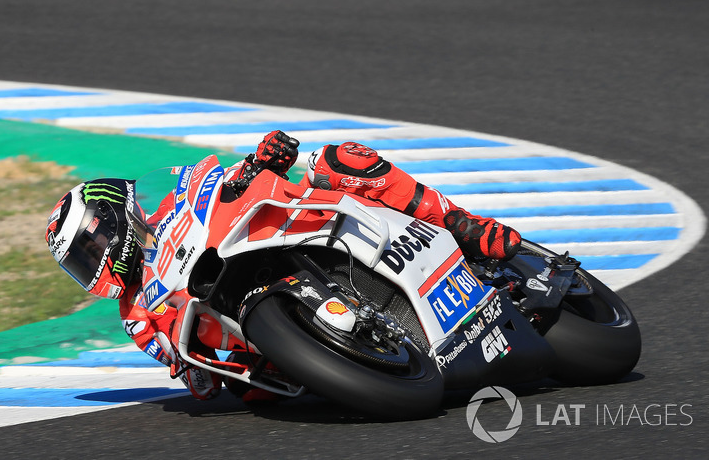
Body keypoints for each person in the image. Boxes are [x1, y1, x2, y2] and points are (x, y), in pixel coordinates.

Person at [45, 131, 521, 401]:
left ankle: (462, 224)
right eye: (79, 264)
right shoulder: (135, 317)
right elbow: (194, 376)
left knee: (336, 160)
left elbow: (224, 183)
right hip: (257, 335)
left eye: (89, 249)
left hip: (275, 237)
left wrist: (261, 162)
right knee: (254, 395)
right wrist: (197, 369)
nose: (92, 266)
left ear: (111, 217)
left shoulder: (168, 196)